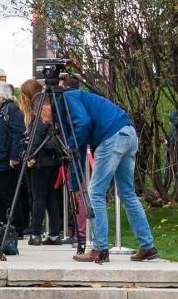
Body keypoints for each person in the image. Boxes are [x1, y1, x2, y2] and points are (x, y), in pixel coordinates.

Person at [63, 87, 159, 263]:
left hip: (112, 137)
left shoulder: (68, 96)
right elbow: (81, 144)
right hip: (128, 133)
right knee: (127, 193)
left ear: (45, 107)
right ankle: (147, 246)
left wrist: (68, 145)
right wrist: (75, 182)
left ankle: (100, 248)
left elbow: (82, 125)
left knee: (96, 192)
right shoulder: (80, 99)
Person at [20, 80, 63, 246]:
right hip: (53, 161)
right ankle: (53, 233)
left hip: (40, 162)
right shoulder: (53, 116)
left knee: (38, 198)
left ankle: (36, 233)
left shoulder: (39, 117)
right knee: (52, 198)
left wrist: (29, 155)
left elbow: (35, 139)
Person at [0, 83, 26, 235]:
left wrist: (14, 156)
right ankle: (2, 224)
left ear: (1, 97)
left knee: (9, 195)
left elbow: (17, 133)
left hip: (6, 161)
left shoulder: (11, 110)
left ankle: (16, 227)